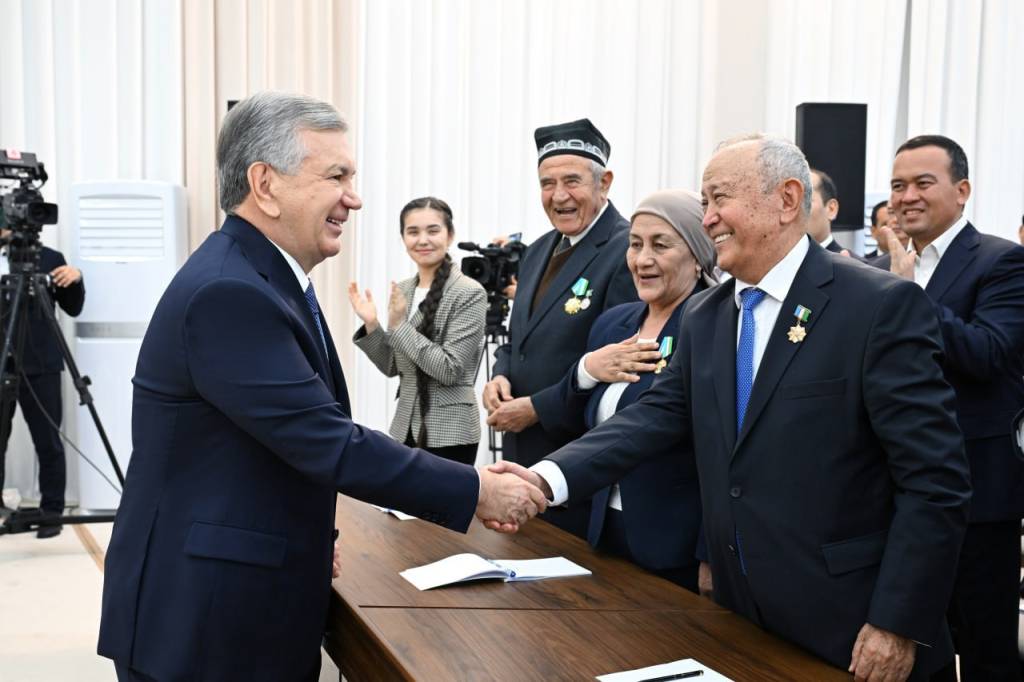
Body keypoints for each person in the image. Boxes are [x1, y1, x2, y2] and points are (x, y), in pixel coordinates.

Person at [97, 92, 545, 682]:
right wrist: (476, 489)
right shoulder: (230, 292)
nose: (353, 198)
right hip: (206, 621)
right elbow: (324, 439)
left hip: (234, 600)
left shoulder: (261, 277)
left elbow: (268, 446)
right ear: (265, 185)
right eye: (336, 176)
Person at [493, 134, 971, 681]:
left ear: (787, 200)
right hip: (743, 613)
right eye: (704, 203)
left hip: (851, 622)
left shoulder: (878, 305)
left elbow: (935, 480)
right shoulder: (706, 315)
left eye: (720, 198)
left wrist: (897, 622)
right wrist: (543, 480)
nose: (708, 218)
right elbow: (648, 420)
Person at [877, 134, 1024, 681]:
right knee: (912, 644)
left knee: (985, 649)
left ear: (962, 191)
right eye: (898, 185)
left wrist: (909, 297)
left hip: (976, 494)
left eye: (923, 183)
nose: (907, 196)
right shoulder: (881, 267)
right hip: (897, 490)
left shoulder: (1002, 261)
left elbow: (988, 354)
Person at [545, 189, 717, 592]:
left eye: (661, 245)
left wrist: (710, 551)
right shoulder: (613, 324)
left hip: (674, 545)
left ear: (698, 255)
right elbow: (573, 422)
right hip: (602, 528)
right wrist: (585, 371)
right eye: (635, 244)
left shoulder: (713, 326)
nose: (642, 260)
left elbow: (721, 457)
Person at [482, 117, 637, 538]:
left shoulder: (626, 251)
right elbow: (518, 338)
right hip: (522, 459)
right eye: (547, 184)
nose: (559, 195)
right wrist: (499, 374)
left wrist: (536, 408)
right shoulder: (537, 250)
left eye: (572, 181)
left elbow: (617, 367)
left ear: (604, 183)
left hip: (576, 469)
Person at [349, 197, 486, 465]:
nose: (423, 240)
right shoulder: (404, 290)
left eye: (433, 230)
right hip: (405, 426)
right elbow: (393, 366)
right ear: (403, 238)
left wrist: (399, 326)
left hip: (450, 431)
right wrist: (372, 325)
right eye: (413, 232)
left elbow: (449, 369)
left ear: (450, 235)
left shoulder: (469, 292)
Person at [0, 236, 84, 538]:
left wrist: (76, 279)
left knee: (48, 441)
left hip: (41, 365)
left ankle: (52, 512)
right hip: (2, 363)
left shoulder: (49, 258)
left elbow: (73, 308)